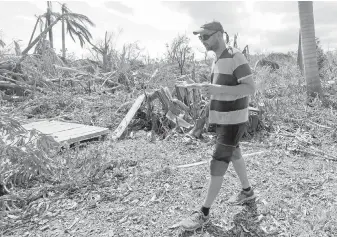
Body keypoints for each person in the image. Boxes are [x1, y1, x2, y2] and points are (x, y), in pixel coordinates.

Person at [180, 21, 257, 231]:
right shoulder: (217, 60)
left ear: (220, 35)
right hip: (225, 120)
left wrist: (215, 88)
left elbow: (250, 87)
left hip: (233, 120)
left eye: (205, 36)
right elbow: (221, 90)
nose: (202, 41)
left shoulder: (235, 56)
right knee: (234, 154)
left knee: (217, 163)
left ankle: (203, 213)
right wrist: (202, 88)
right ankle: (247, 192)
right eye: (200, 38)